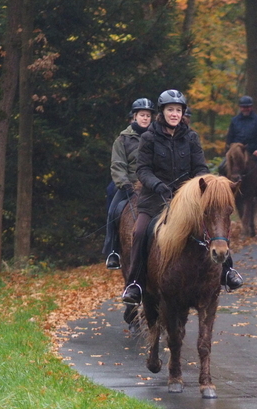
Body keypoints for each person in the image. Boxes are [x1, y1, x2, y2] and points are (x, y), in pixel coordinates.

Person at [122, 89, 243, 305]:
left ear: (182, 113)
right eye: (171, 110)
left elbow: (200, 168)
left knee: (214, 225)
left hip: (187, 201)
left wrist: (194, 187)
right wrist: (157, 185)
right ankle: (135, 284)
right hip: (155, 199)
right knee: (140, 232)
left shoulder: (191, 137)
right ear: (162, 112)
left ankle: (228, 271)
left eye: (178, 110)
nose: (175, 114)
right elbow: (142, 170)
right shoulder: (149, 137)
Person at [103, 97, 156, 269]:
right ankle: (113, 251)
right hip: (130, 185)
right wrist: (125, 183)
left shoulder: (158, 137)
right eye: (142, 115)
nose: (145, 118)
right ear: (134, 116)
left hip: (154, 185)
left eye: (148, 115)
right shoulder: (122, 140)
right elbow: (118, 165)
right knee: (114, 211)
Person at [221, 96, 257, 204]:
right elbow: (230, 137)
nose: (245, 109)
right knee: (221, 167)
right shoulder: (234, 121)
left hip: (254, 151)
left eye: (247, 107)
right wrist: (230, 149)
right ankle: (222, 193)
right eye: (243, 107)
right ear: (240, 107)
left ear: (251, 107)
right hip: (237, 152)